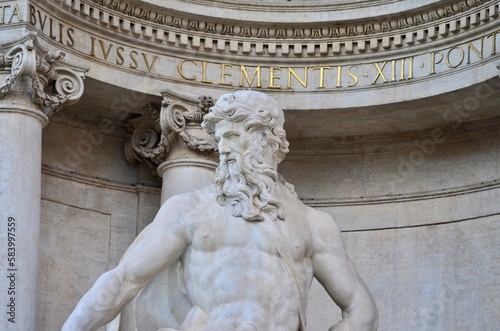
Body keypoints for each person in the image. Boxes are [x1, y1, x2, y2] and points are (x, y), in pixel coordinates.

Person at [62, 90, 378, 331]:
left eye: (230, 136)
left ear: (262, 139)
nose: (223, 149)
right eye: (218, 139)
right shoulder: (190, 210)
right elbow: (123, 281)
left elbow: (360, 307)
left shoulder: (314, 225)